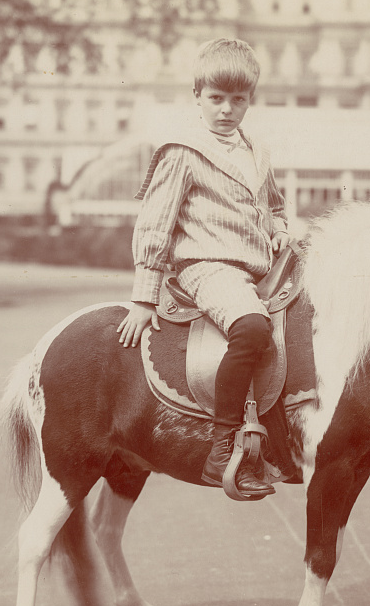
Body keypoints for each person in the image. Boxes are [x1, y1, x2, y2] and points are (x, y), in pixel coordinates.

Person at [117, 38, 290, 499]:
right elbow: (154, 224)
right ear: (197, 96)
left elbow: (275, 205)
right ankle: (222, 448)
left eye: (238, 100)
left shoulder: (256, 151)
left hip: (260, 268)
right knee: (253, 329)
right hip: (208, 266)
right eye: (216, 99)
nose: (226, 111)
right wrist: (143, 297)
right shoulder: (182, 150)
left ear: (250, 100)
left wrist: (278, 229)